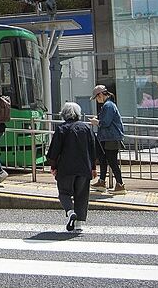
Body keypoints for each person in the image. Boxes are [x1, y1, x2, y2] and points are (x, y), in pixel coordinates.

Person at [46, 102, 98, 232]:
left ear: (64, 114)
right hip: (84, 168)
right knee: (82, 195)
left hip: (65, 168)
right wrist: (93, 167)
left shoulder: (61, 129)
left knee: (64, 193)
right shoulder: (86, 128)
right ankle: (79, 224)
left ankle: (70, 212)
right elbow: (94, 149)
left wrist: (53, 166)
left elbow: (54, 150)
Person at [89, 84, 126, 194]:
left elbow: (105, 122)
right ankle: (102, 182)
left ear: (100, 95)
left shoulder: (108, 105)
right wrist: (98, 119)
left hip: (111, 138)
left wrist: (97, 122)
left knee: (112, 161)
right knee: (103, 159)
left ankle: (120, 185)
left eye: (96, 97)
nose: (96, 100)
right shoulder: (108, 105)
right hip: (108, 138)